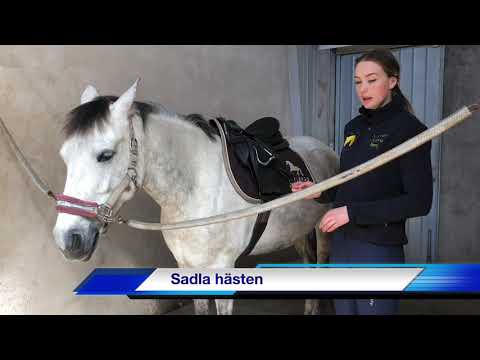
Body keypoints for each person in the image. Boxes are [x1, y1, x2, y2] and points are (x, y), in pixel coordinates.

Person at [292, 49, 433, 315]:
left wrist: (350, 212)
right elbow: (352, 182)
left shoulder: (409, 131)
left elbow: (419, 202)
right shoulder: (354, 128)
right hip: (342, 245)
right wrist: (320, 191)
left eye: (372, 80)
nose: (363, 88)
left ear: (393, 81)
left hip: (377, 248)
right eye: (358, 81)